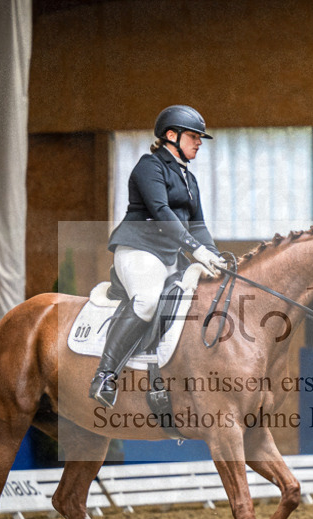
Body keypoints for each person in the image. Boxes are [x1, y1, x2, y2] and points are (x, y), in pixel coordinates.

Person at [90, 104, 227, 408]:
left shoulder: (189, 180)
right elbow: (161, 211)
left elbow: (199, 224)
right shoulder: (149, 166)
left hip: (169, 256)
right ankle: (105, 375)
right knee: (148, 300)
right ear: (171, 135)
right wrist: (195, 249)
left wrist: (216, 258)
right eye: (193, 136)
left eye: (199, 137)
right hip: (139, 248)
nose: (199, 142)